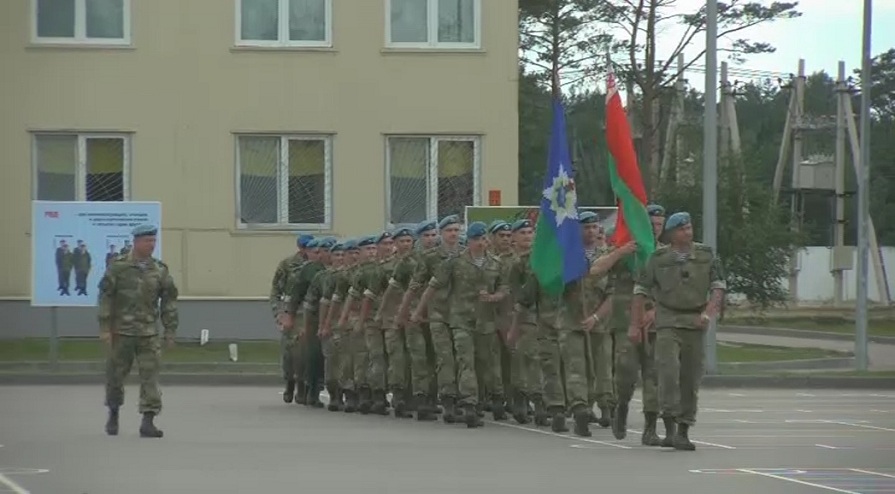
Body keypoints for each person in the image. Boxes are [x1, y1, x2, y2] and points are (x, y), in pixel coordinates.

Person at [630, 211, 726, 451]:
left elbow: (718, 287)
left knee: (690, 378)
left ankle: (684, 429)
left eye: (690, 227)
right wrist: (635, 323)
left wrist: (708, 313)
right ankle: (669, 428)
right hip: (667, 321)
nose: (688, 232)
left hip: (695, 321)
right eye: (682, 229)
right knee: (668, 373)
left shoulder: (706, 255)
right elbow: (641, 289)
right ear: (672, 234)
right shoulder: (658, 258)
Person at [413, 221, 508, 428]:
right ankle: (469, 405)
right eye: (476, 240)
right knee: (465, 361)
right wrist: (418, 311)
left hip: (486, 323)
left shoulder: (496, 263)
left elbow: (504, 288)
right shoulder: (454, 262)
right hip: (460, 320)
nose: (481, 244)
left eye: (483, 239)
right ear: (470, 242)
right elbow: (432, 286)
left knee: (483, 363)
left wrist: (493, 297)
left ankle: (480, 400)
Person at [99, 224, 178, 438]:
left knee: (150, 377)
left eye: (153, 241)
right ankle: (113, 412)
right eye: (147, 241)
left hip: (148, 333)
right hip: (121, 332)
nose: (151, 245)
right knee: (115, 376)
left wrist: (170, 330)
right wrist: (105, 327)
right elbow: (106, 297)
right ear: (136, 242)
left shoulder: (160, 270)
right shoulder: (118, 267)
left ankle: (148, 421)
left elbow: (169, 301)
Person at [606, 203, 666, 445]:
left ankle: (650, 428)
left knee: (654, 377)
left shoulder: (665, 255)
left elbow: (673, 289)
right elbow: (594, 271)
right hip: (625, 323)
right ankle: (621, 406)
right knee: (625, 374)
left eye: (660, 225)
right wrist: (619, 253)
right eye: (650, 224)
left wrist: (657, 310)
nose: (655, 229)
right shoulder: (625, 251)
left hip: (655, 325)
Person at [270, 234, 313, 403]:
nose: (308, 251)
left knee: (305, 353)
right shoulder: (288, 265)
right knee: (290, 353)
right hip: (291, 312)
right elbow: (276, 291)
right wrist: (279, 314)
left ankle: (303, 386)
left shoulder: (318, 265)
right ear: (300, 248)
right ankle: (289, 382)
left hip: (309, 312)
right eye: (305, 248)